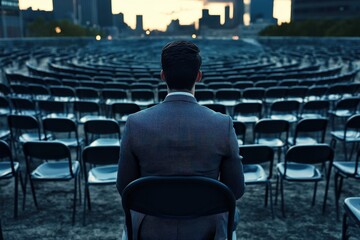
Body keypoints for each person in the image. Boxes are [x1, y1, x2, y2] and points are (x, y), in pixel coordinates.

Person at [117, 40, 245, 240]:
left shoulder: (135, 124)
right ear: (199, 76)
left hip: (150, 228)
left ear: (163, 76)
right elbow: (235, 189)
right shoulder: (223, 124)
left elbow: (124, 187)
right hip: (207, 229)